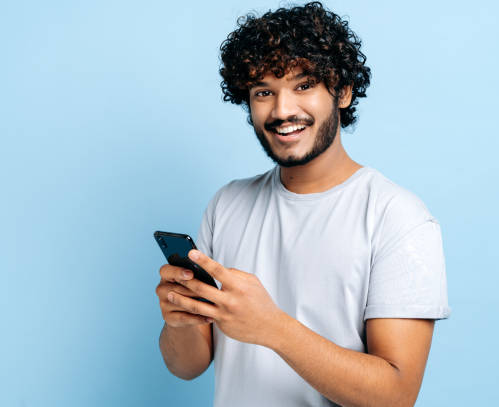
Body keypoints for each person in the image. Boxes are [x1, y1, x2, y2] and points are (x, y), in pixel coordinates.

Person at [156, 2, 450, 406]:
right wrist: (178, 321)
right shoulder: (227, 204)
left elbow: (395, 397)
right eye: (263, 92)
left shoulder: (397, 217)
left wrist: (273, 328)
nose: (282, 110)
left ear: (343, 92)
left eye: (304, 85)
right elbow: (187, 366)